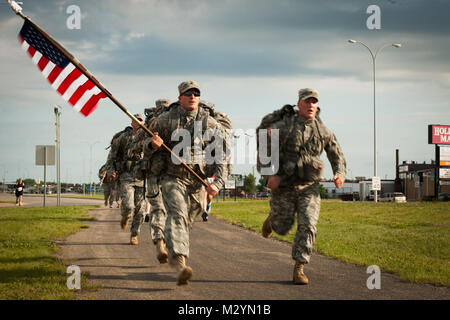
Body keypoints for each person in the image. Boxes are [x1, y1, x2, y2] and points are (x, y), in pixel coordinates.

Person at [257, 88, 346, 285]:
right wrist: (269, 174)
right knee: (282, 225)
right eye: (307, 101)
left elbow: (336, 154)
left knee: (308, 224)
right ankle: (273, 220)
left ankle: (299, 267)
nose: (310, 105)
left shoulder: (323, 131)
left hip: (309, 187)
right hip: (286, 185)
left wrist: (339, 173)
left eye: (314, 102)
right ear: (299, 104)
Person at [145, 80, 230, 285]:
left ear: (199, 98)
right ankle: (181, 263)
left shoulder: (209, 123)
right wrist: (152, 144)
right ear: (180, 98)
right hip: (172, 178)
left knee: (186, 221)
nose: (192, 96)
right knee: (178, 215)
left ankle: (175, 251)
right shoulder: (165, 120)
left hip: (197, 182)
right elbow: (145, 145)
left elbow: (223, 157)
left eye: (196, 93)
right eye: (188, 93)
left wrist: (217, 183)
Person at [105, 114, 147, 245]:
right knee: (129, 205)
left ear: (144, 123)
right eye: (136, 120)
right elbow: (111, 157)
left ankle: (134, 234)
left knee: (141, 210)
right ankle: (125, 216)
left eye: (140, 120)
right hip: (126, 176)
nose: (138, 122)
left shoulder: (148, 137)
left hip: (142, 177)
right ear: (132, 122)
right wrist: (111, 171)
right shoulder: (122, 138)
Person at [141, 98, 172, 264]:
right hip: (157, 173)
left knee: (161, 210)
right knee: (161, 208)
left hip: (172, 174)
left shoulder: (173, 122)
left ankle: (162, 241)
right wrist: (152, 145)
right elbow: (140, 147)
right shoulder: (152, 125)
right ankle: (161, 242)